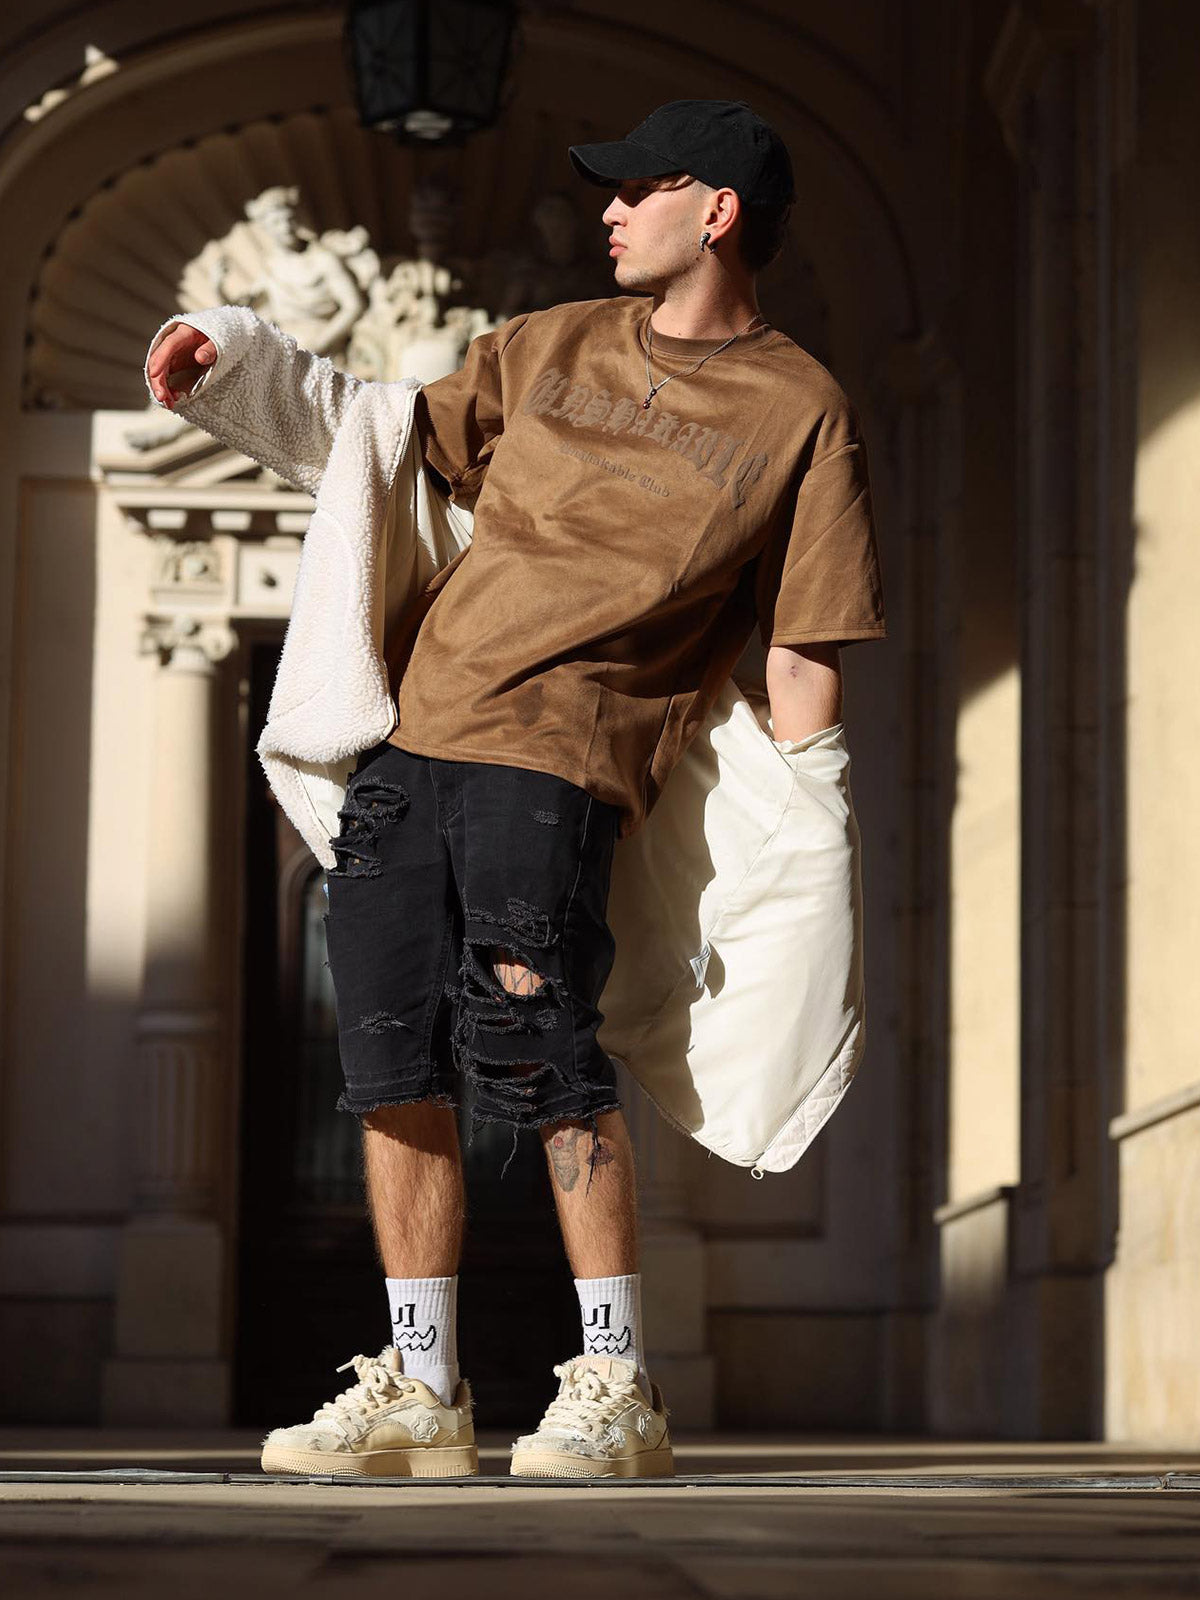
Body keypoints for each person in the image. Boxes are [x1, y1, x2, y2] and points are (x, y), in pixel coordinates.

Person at [145, 98, 886, 1481]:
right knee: (384, 1055)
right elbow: (374, 436)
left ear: (717, 210)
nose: (609, 209)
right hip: (410, 737)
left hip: (563, 751)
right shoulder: (552, 344)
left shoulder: (801, 409)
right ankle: (423, 1387)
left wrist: (813, 836)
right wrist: (234, 361)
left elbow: (804, 647)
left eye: (637, 187)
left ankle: (616, 1379)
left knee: (539, 1044)